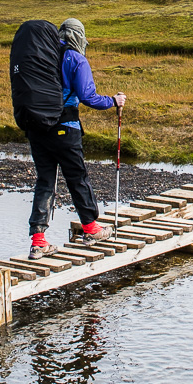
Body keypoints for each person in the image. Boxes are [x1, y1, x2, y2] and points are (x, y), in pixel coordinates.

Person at [26, 18, 125, 260]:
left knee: (45, 182)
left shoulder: (42, 56)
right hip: (66, 129)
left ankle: (38, 242)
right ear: (79, 37)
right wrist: (113, 101)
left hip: (38, 129)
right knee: (77, 177)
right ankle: (91, 229)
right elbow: (88, 97)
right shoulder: (76, 60)